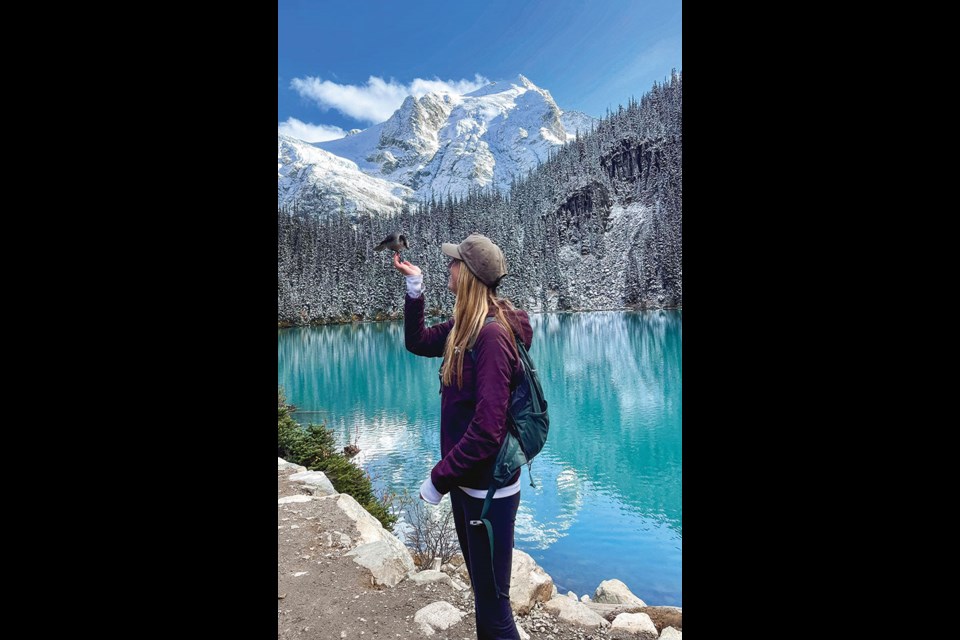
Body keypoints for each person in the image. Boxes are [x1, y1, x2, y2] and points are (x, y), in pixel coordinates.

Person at [393, 233, 532, 640]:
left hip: (488, 491)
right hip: (470, 484)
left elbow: (488, 431)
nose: (448, 267)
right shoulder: (465, 326)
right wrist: (413, 285)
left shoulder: (490, 336)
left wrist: (439, 478)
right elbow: (417, 341)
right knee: (486, 599)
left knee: (494, 610)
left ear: (468, 275)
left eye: (454, 263)